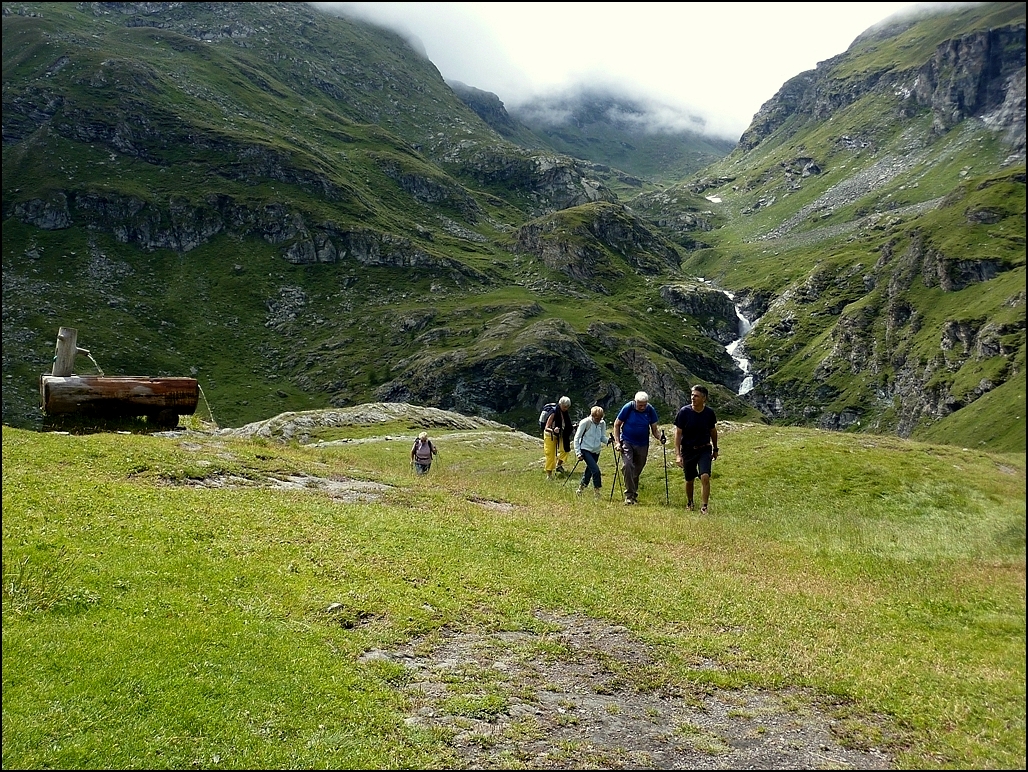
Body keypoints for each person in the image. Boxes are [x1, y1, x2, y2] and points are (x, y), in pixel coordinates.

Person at [673, 385, 719, 514]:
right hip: (688, 449)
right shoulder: (684, 412)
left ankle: (704, 506)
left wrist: (715, 449)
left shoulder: (709, 413)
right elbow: (678, 433)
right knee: (689, 479)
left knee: (705, 476)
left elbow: (713, 431)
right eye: (692, 395)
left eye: (696, 396)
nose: (693, 398)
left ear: (704, 398)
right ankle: (690, 502)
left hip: (704, 448)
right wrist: (678, 454)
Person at [612, 391, 663, 505]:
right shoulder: (628, 407)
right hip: (627, 441)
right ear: (635, 402)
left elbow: (654, 430)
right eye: (640, 405)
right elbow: (617, 424)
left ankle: (633, 494)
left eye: (644, 404)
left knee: (636, 470)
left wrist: (660, 438)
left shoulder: (650, 410)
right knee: (628, 466)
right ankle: (629, 496)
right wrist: (617, 442)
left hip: (643, 444)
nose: (642, 407)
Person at [573, 405, 607, 498]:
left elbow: (602, 437)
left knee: (589, 471)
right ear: (592, 416)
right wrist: (578, 453)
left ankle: (580, 489)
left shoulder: (602, 423)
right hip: (585, 449)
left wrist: (608, 441)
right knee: (596, 471)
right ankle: (597, 492)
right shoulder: (585, 422)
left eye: (600, 418)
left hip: (596, 451)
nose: (598, 420)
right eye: (597, 418)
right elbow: (577, 438)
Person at [543, 396, 573, 480]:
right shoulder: (553, 413)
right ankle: (549, 475)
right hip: (550, 435)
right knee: (550, 455)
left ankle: (558, 465)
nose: (566, 408)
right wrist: (553, 430)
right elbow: (546, 427)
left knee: (565, 449)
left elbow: (565, 424)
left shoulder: (565, 412)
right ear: (560, 404)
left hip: (561, 434)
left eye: (567, 407)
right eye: (564, 407)